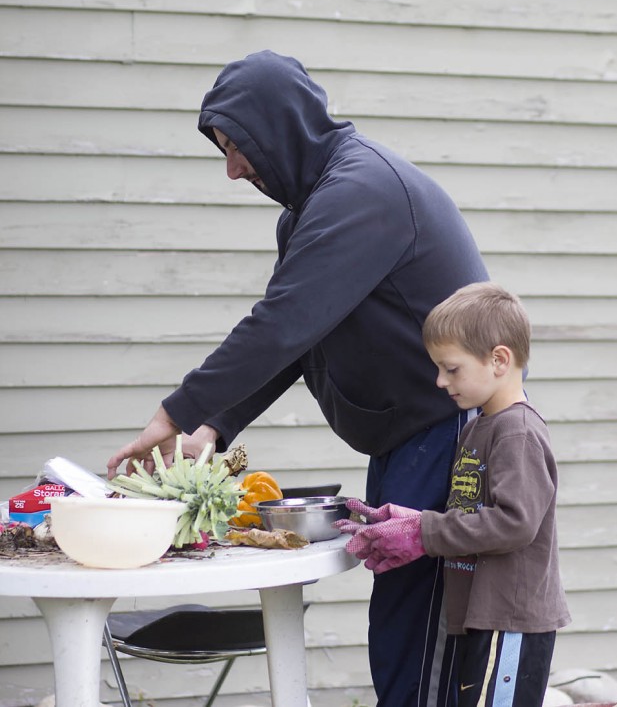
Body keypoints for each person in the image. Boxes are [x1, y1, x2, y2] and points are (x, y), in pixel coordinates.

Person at [107, 49, 489, 707]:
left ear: (279, 128)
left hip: (452, 435)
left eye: (237, 146)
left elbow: (282, 323)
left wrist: (172, 415)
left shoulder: (362, 192)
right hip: (412, 438)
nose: (232, 170)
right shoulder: (314, 207)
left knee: (423, 639)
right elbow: (299, 339)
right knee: (400, 629)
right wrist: (210, 427)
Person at [337, 282, 571, 707]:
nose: (440, 381)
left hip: (510, 619)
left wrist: (425, 531)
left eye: (451, 368)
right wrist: (408, 519)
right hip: (483, 616)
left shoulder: (517, 432)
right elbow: (472, 512)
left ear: (499, 360)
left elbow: (513, 522)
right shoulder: (480, 426)